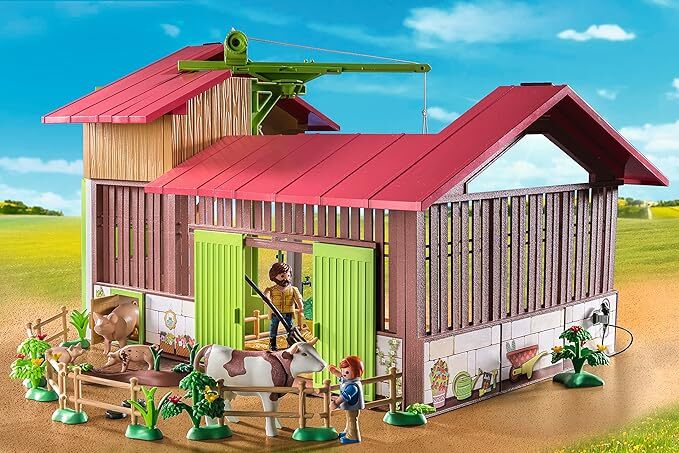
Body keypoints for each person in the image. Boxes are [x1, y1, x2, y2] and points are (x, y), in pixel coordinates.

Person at [263, 262, 303, 351]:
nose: (286, 279)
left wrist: (301, 307)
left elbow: (298, 299)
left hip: (288, 313)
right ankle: (272, 344)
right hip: (275, 314)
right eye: (282, 276)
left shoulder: (293, 289)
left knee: (290, 329)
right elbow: (266, 295)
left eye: (288, 276)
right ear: (274, 277)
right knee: (273, 328)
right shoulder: (271, 290)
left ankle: (290, 344)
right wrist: (267, 298)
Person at [329, 355, 365, 444]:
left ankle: (353, 437)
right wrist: (335, 371)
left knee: (352, 420)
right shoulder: (349, 380)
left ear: (356, 372)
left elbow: (345, 396)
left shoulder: (353, 386)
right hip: (350, 406)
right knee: (349, 419)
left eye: (347, 372)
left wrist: (336, 403)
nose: (344, 374)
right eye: (342, 371)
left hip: (353, 406)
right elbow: (342, 377)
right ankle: (347, 432)